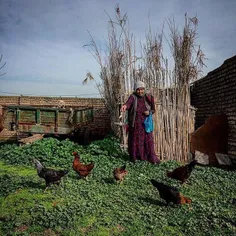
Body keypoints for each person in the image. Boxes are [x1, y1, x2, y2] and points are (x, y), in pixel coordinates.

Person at [120, 80, 160, 164]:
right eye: (138, 89)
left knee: (147, 141)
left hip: (145, 124)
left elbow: (153, 110)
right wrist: (124, 106)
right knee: (135, 141)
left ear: (144, 89)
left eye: (142, 89)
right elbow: (128, 104)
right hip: (135, 124)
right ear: (135, 90)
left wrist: (149, 112)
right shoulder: (133, 97)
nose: (140, 91)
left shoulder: (149, 97)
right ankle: (135, 158)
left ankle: (147, 157)